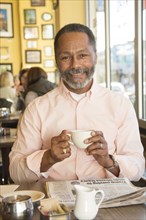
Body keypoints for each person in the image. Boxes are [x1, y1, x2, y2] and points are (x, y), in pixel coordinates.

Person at [9, 23, 145, 184]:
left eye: (82, 55)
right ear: (57, 61)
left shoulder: (120, 105)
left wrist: (108, 161)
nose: (75, 65)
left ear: (95, 56)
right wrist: (48, 157)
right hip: (53, 204)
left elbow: (138, 169)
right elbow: (15, 172)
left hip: (108, 202)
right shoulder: (36, 109)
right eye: (65, 57)